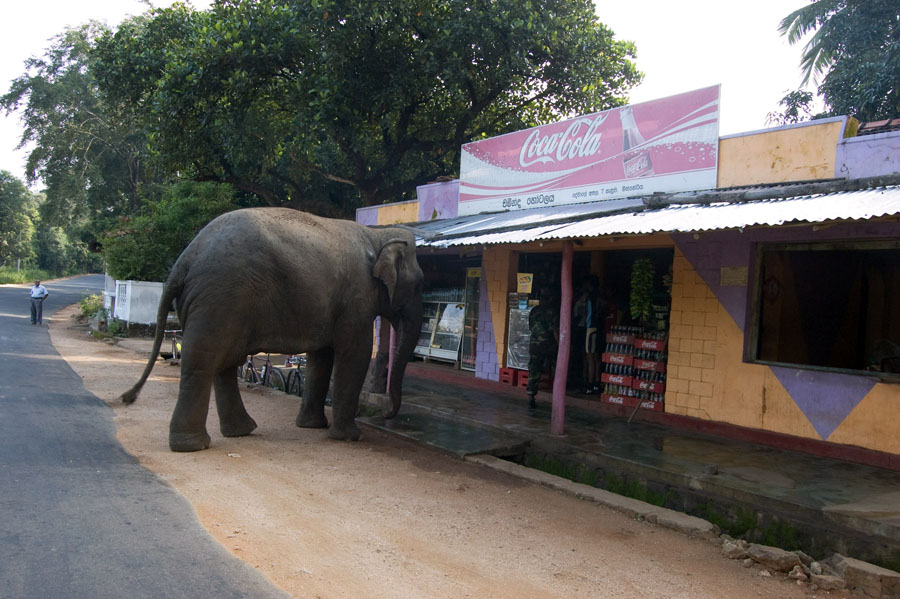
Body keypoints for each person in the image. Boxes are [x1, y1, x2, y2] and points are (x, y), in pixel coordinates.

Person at [526, 288, 559, 408]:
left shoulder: (534, 311)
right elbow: (556, 330)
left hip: (534, 345)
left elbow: (530, 327)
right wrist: (561, 345)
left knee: (534, 369)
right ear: (550, 299)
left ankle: (531, 394)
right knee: (556, 366)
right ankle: (557, 392)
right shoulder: (552, 312)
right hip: (549, 345)